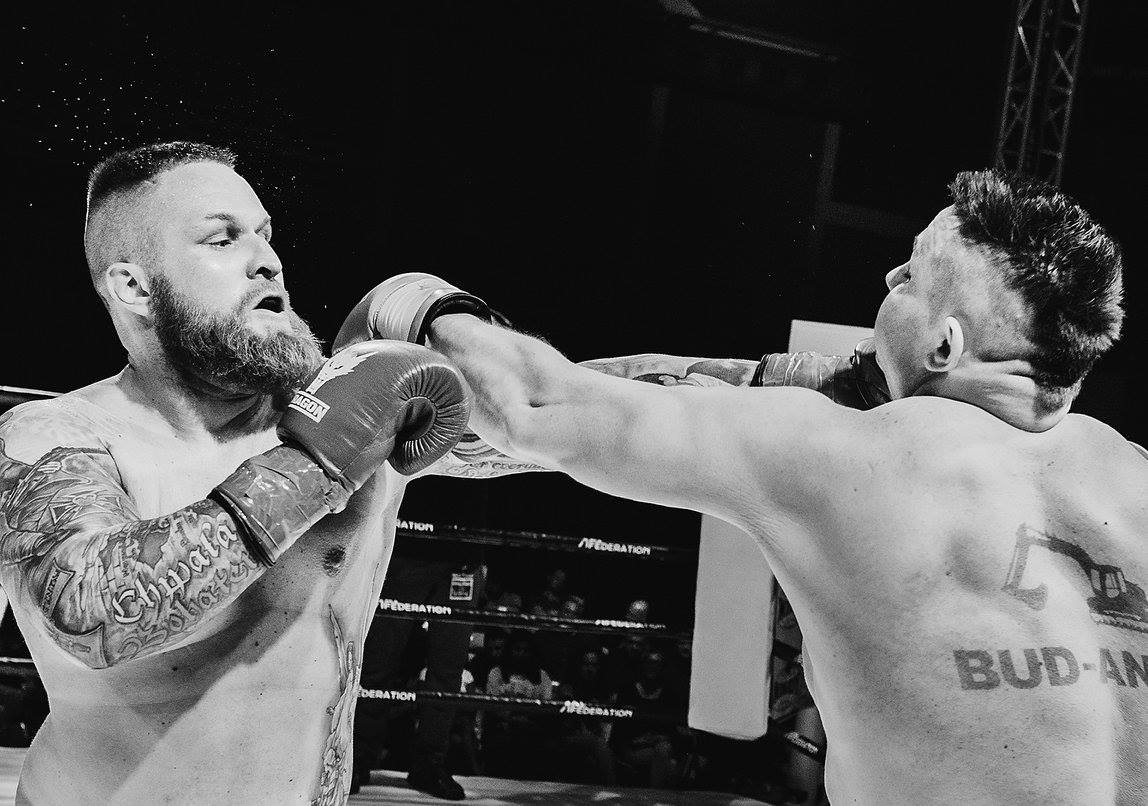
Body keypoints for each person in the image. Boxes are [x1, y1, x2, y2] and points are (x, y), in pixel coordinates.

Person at [378, 170, 1145, 804]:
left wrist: (417, 303)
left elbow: (537, 404)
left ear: (945, 345)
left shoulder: (846, 454)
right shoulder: (1136, 478)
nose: (889, 279)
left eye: (911, 274)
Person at [0, 141, 476, 805]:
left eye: (264, 234)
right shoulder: (56, 438)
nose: (267, 260)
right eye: (223, 239)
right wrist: (320, 459)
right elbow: (93, 614)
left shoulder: (360, 410)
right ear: (134, 287)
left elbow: (548, 417)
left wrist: (468, 330)